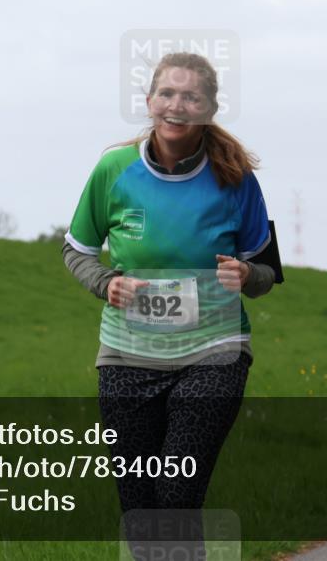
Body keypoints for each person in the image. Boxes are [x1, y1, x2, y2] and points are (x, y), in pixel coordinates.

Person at [62, 52, 280, 557]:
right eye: (167, 94)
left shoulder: (235, 177)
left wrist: (248, 274)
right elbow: (76, 250)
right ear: (149, 101)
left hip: (214, 352)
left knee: (177, 493)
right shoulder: (114, 170)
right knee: (139, 504)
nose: (177, 105)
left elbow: (268, 273)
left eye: (191, 97)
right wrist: (105, 283)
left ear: (208, 108)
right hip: (126, 355)